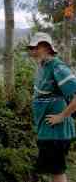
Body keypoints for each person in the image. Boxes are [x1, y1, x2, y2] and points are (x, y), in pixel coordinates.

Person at [27, 32, 76, 182]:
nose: (33, 51)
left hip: (57, 133)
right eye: (32, 48)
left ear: (47, 48)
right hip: (47, 132)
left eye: (37, 47)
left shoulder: (57, 67)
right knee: (53, 172)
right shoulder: (43, 67)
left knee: (57, 172)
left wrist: (61, 116)